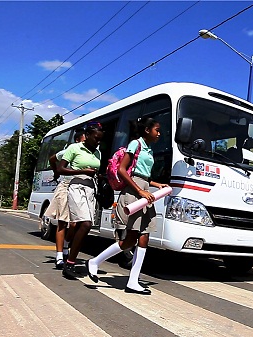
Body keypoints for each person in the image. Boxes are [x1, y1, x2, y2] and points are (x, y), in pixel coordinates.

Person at [86, 117, 169, 294]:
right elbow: (123, 170)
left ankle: (133, 280)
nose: (159, 133)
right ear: (147, 130)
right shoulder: (135, 144)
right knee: (130, 240)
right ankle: (95, 261)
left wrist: (155, 185)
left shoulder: (149, 149)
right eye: (157, 129)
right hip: (135, 193)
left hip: (145, 190)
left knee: (145, 236)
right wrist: (140, 191)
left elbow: (142, 173)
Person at [56, 122, 104, 279]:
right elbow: (60, 168)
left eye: (100, 140)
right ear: (88, 135)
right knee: (86, 223)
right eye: (96, 138)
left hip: (90, 189)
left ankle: (70, 253)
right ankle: (69, 263)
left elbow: (96, 170)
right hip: (76, 186)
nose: (98, 142)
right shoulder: (74, 148)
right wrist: (82, 170)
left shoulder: (98, 153)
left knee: (84, 225)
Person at [46, 129, 85, 269]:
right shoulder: (71, 149)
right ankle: (59, 256)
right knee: (62, 222)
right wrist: (56, 172)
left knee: (75, 223)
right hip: (66, 186)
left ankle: (66, 246)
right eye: (85, 139)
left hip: (80, 188)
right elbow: (52, 158)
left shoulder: (91, 152)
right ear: (77, 140)